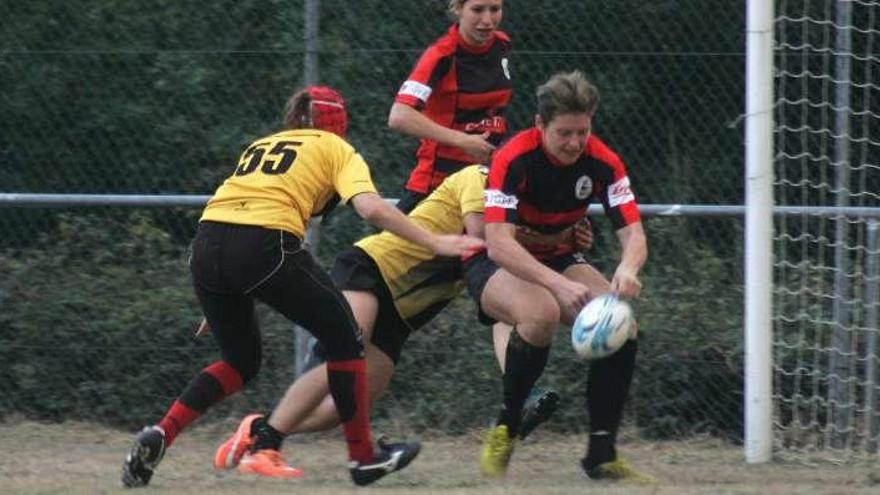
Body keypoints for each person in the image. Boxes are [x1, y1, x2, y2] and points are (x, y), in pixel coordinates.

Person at [120, 85, 484, 488]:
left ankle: (162, 432)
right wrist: (434, 240)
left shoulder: (262, 145)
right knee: (346, 336)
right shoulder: (335, 148)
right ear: (338, 124)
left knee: (240, 361)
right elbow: (370, 208)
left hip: (206, 246)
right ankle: (363, 458)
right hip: (263, 241)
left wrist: (217, 296)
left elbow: (239, 210)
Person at [210, 164, 593, 478]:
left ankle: (258, 427)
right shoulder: (481, 177)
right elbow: (486, 242)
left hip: (401, 314)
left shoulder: (522, 212)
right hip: (372, 270)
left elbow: (506, 299)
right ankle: (264, 449)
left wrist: (564, 237)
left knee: (342, 409)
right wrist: (553, 239)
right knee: (340, 361)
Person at [465, 70, 655, 482]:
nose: (574, 142)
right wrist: (557, 283)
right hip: (498, 261)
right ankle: (507, 426)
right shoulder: (514, 157)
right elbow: (498, 242)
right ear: (540, 125)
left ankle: (601, 456)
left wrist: (628, 266)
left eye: (582, 132)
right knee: (541, 313)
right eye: (563, 133)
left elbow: (633, 232)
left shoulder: (603, 161)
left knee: (622, 326)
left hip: (560, 255)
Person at [388, 0, 510, 214]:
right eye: (478, 10)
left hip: (487, 179)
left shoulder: (502, 45)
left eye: (495, 9)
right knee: (385, 246)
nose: (487, 20)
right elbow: (400, 116)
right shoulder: (442, 55)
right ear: (458, 9)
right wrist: (463, 140)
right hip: (439, 183)